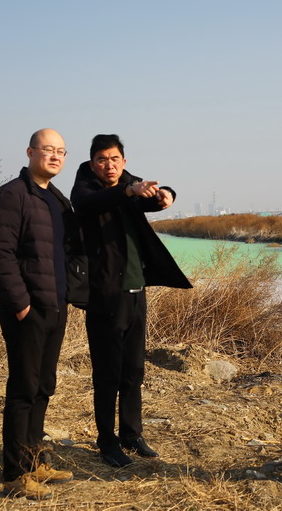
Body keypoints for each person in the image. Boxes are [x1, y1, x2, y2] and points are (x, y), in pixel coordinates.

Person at [70, 134, 191, 467]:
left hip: (137, 291)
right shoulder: (85, 188)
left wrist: (167, 195)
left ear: (123, 161)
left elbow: (152, 197)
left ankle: (131, 433)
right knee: (107, 373)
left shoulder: (130, 182)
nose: (109, 165)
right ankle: (107, 442)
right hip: (105, 294)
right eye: (102, 159)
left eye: (114, 159)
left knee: (134, 369)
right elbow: (89, 204)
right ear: (92, 163)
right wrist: (129, 191)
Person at [0, 128, 88, 499]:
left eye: (61, 151)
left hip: (55, 307)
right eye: (48, 149)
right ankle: (15, 475)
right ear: (30, 152)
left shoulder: (58, 200)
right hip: (27, 310)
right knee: (23, 390)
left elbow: (69, 251)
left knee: (44, 386)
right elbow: (1, 254)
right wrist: (20, 304)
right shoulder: (11, 196)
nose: (56, 156)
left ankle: (34, 462)